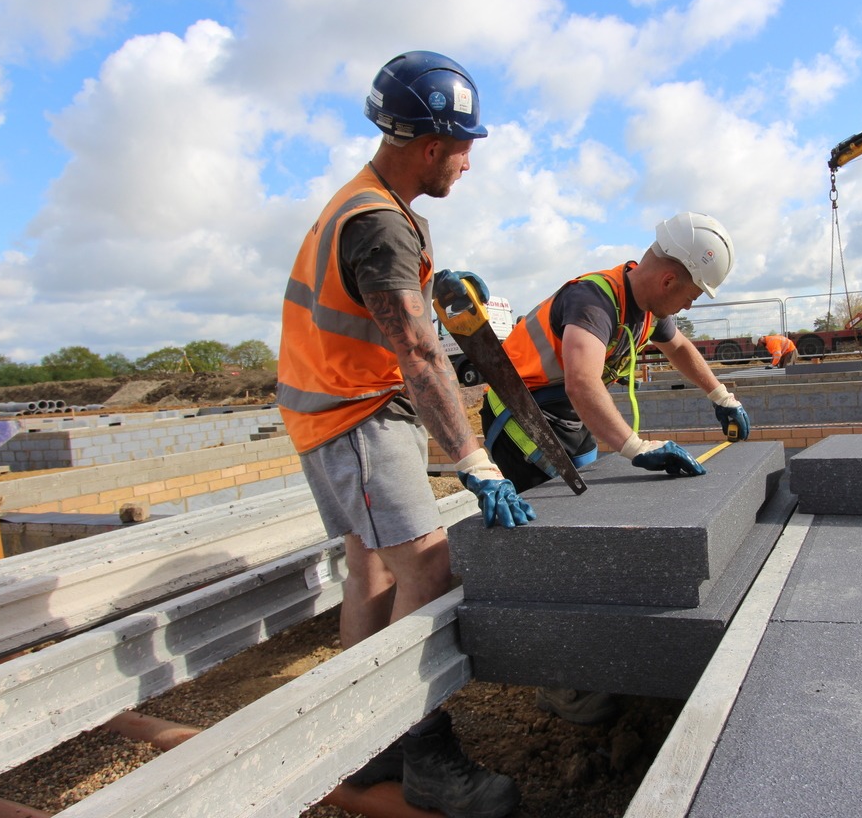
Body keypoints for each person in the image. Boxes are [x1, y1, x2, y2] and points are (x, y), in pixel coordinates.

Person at [277, 50, 532, 818]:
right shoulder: (380, 226)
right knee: (427, 565)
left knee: (371, 573)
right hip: (355, 414)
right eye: (465, 147)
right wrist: (475, 461)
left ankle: (361, 744)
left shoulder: (372, 206)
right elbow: (417, 355)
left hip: (338, 409)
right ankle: (423, 756)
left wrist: (445, 296)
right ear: (430, 144)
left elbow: (407, 328)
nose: (467, 163)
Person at [480, 211, 752, 724]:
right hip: (524, 420)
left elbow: (680, 348)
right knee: (557, 551)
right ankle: (563, 686)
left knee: (586, 525)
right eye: (692, 294)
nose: (690, 305)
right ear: (669, 278)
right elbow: (584, 382)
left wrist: (720, 395)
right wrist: (634, 447)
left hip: (568, 421)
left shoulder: (646, 305)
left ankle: (592, 654)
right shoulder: (593, 300)